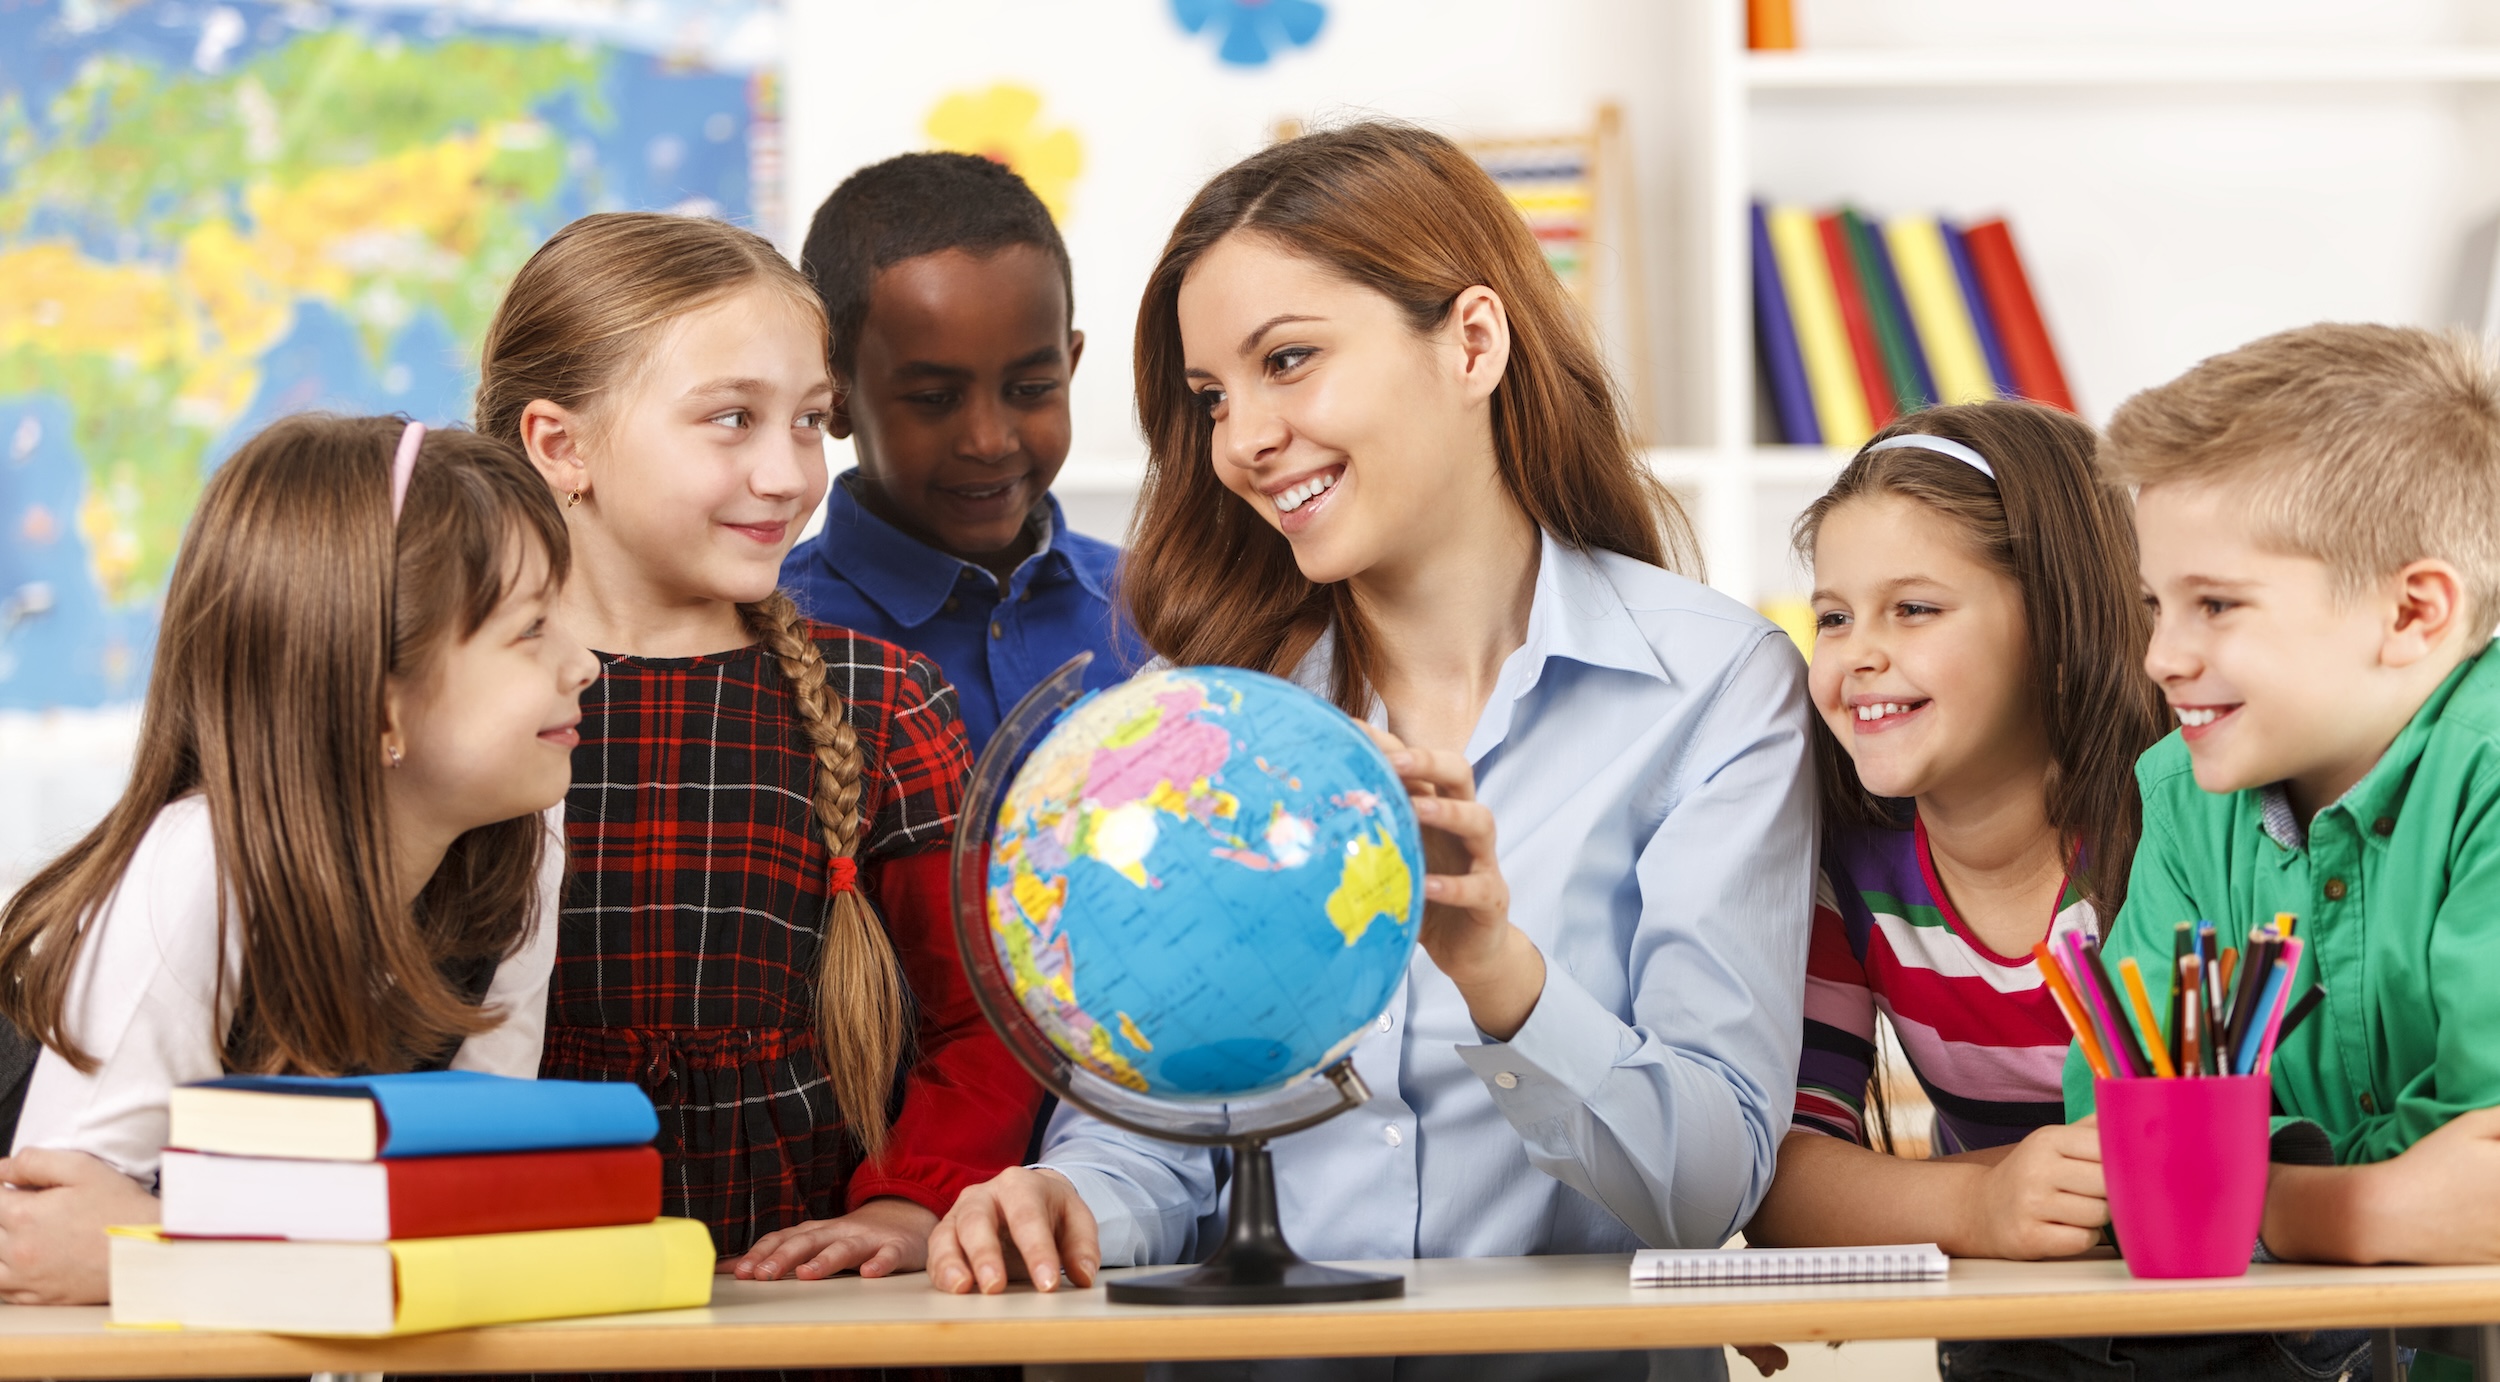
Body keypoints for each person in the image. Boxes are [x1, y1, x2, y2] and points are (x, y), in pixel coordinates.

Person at [927, 121, 1816, 1382]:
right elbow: (1150, 1140)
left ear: (1471, 342)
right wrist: (1068, 1205)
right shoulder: (1195, 726)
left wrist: (1499, 971)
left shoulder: (1714, 688)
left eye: (1288, 360)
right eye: (1212, 399)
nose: (1242, 441)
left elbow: (1705, 1188)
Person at [474, 211, 1038, 1295]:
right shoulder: (456, 700)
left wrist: (910, 1199)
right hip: (522, 1307)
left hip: (818, 1322)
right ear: (561, 444)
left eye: (812, 421)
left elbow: (987, 1017)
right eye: (732, 419)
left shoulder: (884, 701)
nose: (789, 474)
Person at [0, 414, 590, 1305]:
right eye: (531, 629)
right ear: (379, 697)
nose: (584, 662)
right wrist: (173, 1258)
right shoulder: (201, 868)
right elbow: (41, 1250)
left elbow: (473, 1203)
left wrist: (156, 1252)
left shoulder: (519, 845)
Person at [2035, 324, 2500, 1381]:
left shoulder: (2490, 769)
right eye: (2156, 603)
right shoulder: (2184, 795)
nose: (2159, 654)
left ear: (2412, 610)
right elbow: (2117, 1127)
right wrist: (2357, 1204)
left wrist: (2236, 1189)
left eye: (2216, 604)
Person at [1732, 403, 2167, 1378]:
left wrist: (1930, 1196)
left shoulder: (2171, 830)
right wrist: (1982, 1202)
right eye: (1832, 615)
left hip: (2245, 1331)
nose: (1857, 652)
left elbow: (2191, 1169)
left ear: (2059, 621)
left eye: (1914, 608)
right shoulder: (1848, 857)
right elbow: (1785, 1182)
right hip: (2008, 1336)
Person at [780, 152, 1143, 756]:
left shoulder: (1163, 610)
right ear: (834, 398)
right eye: (935, 398)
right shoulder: (769, 640)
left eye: (1030, 390)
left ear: (1070, 366)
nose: (989, 441)